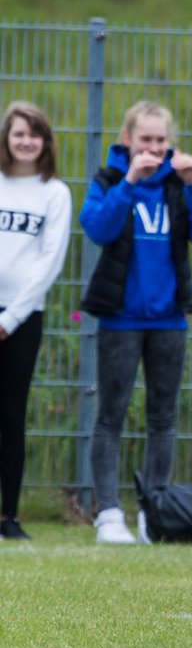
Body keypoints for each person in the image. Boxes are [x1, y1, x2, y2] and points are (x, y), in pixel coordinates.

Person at [80, 100, 192, 543]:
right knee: (111, 416)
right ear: (128, 141)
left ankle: (154, 511)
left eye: (162, 140)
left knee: (163, 418)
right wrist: (129, 182)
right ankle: (108, 513)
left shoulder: (179, 185)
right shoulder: (109, 180)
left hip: (169, 322)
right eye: (146, 140)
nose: (155, 148)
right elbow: (98, 229)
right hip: (120, 321)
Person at [0, 102, 72, 541]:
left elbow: (49, 261)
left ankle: (8, 516)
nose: (26, 141)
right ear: (6, 138)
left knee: (10, 415)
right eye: (18, 133)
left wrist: (10, 318)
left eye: (34, 134)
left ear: (45, 141)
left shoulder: (55, 193)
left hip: (22, 318)